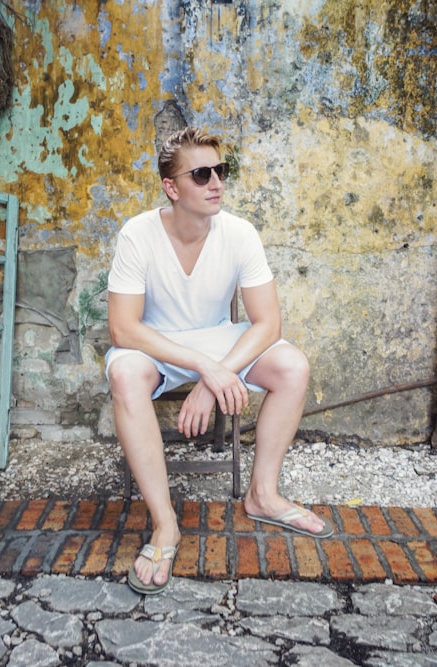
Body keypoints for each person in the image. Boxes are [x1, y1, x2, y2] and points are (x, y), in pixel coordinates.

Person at [106, 126, 333, 595]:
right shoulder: (137, 234)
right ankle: (165, 525)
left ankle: (262, 495)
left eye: (221, 171)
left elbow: (267, 323)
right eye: (202, 173)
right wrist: (204, 367)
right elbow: (124, 329)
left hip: (219, 343)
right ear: (172, 188)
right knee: (126, 373)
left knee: (293, 366)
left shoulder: (239, 233)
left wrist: (216, 374)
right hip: (158, 346)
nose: (217, 183)